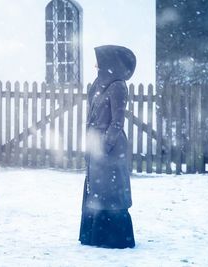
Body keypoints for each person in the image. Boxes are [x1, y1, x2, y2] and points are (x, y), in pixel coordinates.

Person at [79, 45, 136, 249]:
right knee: (96, 190)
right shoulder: (97, 84)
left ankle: (114, 238)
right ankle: (95, 236)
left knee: (110, 191)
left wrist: (105, 144)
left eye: (99, 61)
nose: (96, 65)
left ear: (110, 64)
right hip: (95, 146)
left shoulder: (118, 86)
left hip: (110, 148)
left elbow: (117, 122)